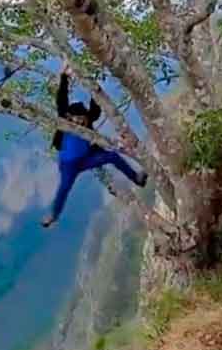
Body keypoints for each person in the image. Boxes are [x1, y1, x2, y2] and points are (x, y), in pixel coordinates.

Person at [42, 62, 147, 228]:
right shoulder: (65, 121)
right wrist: (64, 77)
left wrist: (93, 85)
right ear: (69, 116)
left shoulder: (89, 119)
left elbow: (95, 106)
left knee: (113, 157)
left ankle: (137, 178)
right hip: (69, 165)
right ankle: (54, 216)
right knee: (64, 189)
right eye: (74, 118)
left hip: (86, 158)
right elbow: (61, 99)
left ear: (85, 117)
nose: (78, 121)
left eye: (81, 118)